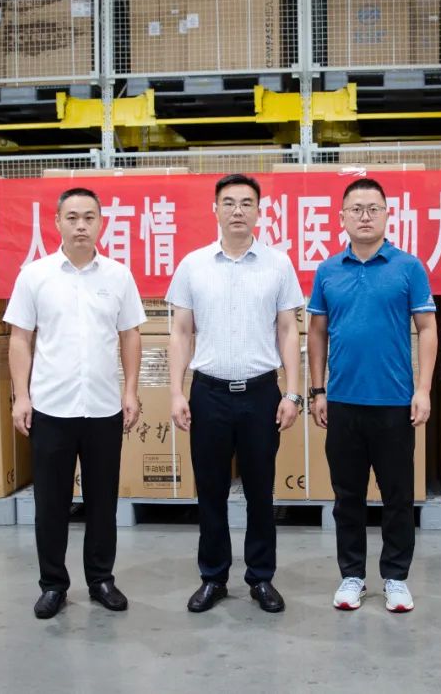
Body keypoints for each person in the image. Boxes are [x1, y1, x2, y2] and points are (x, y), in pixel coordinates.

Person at [4, 186, 145, 620]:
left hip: (103, 409)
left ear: (101, 222)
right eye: (72, 217)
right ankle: (53, 585)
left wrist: (130, 391)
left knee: (103, 501)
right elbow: (20, 338)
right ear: (57, 223)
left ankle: (101, 579)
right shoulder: (35, 276)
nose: (81, 225)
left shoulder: (118, 276)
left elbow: (130, 335)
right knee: (51, 503)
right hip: (51, 409)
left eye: (89, 217)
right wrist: (21, 396)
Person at [166, 173, 305, 614]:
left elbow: (288, 330)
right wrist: (176, 392)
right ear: (215, 210)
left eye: (247, 203)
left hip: (261, 395)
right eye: (229, 202)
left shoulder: (278, 265)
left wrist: (293, 393)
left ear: (260, 211)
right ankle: (213, 577)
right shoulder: (193, 265)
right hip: (208, 394)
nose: (238, 211)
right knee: (210, 491)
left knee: (261, 492)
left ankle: (261, 578)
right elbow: (181, 332)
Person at [306, 177, 438, 613]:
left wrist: (423, 389)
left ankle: (396, 578)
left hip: (395, 403)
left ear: (386, 214)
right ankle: (352, 576)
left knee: (398, 496)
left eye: (373, 208)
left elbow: (427, 328)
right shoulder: (328, 271)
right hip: (343, 403)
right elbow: (317, 332)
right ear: (342, 217)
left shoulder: (408, 268)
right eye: (356, 209)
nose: (365, 216)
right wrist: (318, 390)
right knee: (347, 497)